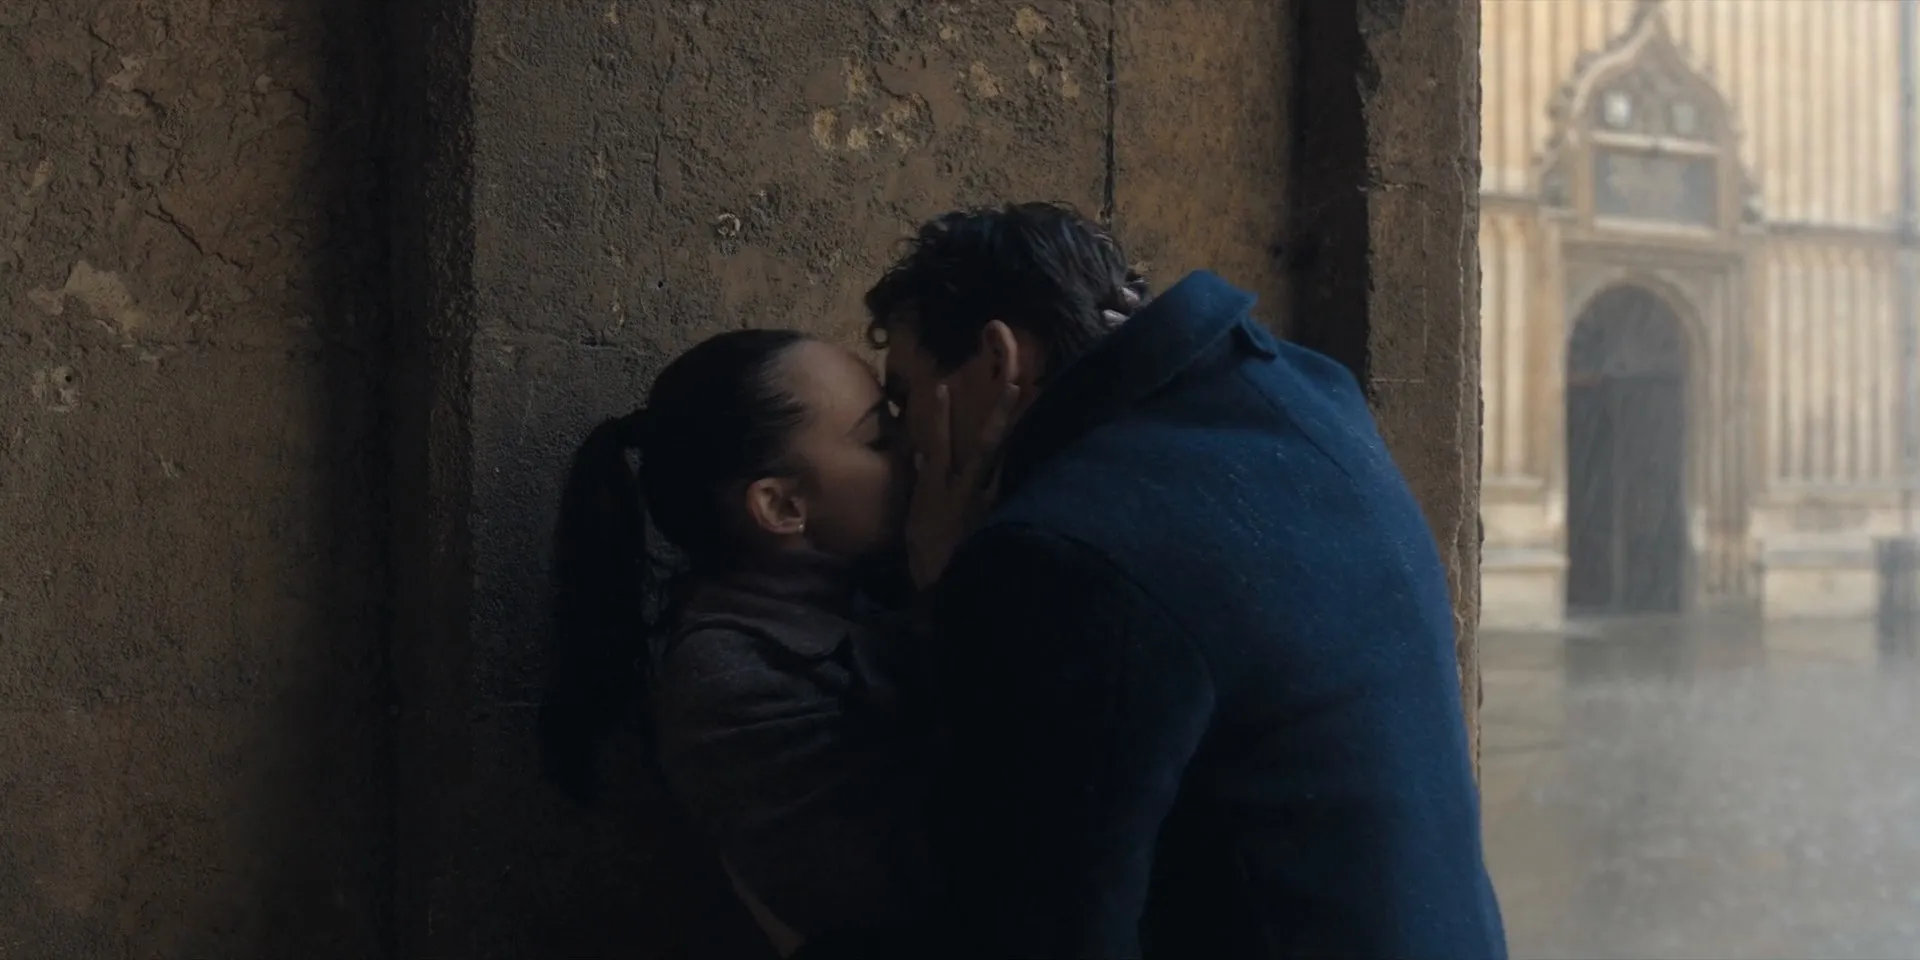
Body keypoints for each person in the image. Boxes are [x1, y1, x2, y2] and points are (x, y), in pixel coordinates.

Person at [865, 202, 1509, 958]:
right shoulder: (1304, 391)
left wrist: (943, 585)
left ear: (1000, 359)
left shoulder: (1061, 553)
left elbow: (1035, 923)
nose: (901, 442)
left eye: (903, 398)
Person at [536, 329, 1004, 957]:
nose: (916, 445)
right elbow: (940, 872)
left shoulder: (878, 577)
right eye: (878, 439)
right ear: (781, 506)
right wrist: (952, 593)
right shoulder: (729, 681)